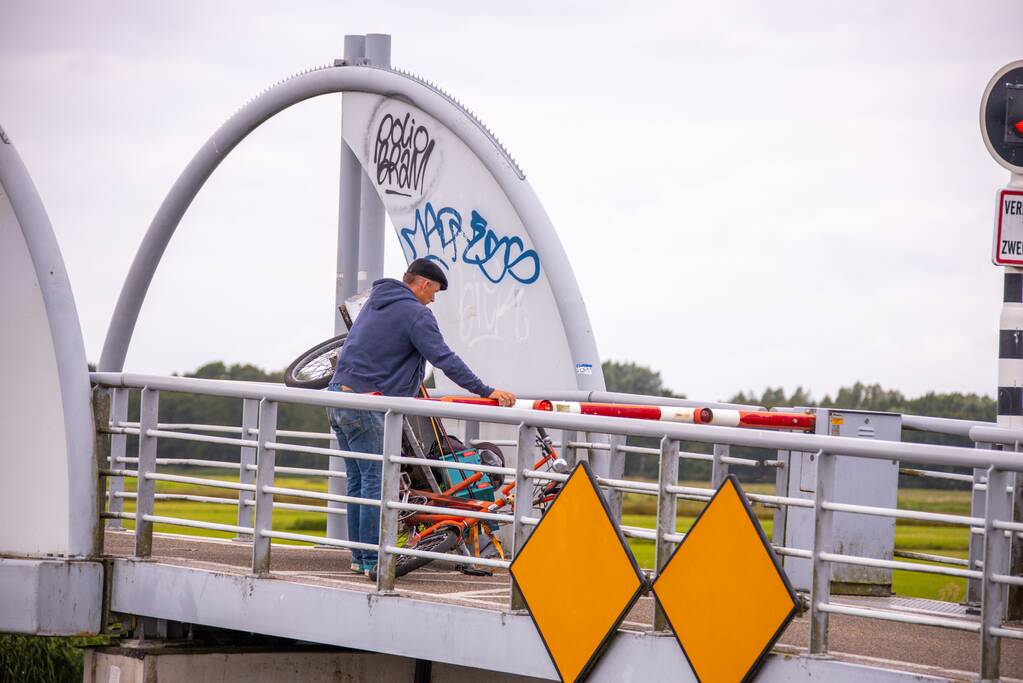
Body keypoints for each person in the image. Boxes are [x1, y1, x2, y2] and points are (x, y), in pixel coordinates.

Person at [326, 258, 516, 576]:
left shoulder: (377, 301)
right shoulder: (416, 313)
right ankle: (374, 560)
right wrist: (486, 390)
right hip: (368, 402)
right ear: (424, 284)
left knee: (358, 480)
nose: (433, 299)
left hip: (339, 395)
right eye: (435, 292)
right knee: (375, 480)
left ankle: (361, 557)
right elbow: (443, 358)